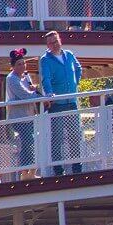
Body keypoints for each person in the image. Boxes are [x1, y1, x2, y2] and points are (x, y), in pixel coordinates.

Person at [39, 30, 83, 175]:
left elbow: (78, 69)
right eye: (51, 43)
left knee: (74, 135)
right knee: (57, 136)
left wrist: (74, 84)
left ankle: (77, 166)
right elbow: (46, 79)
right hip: (57, 103)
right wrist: (50, 93)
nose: (54, 44)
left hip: (71, 101)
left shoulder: (68, 54)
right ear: (48, 45)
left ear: (60, 40)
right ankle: (58, 168)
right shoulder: (45, 59)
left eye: (56, 41)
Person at [5, 48, 41, 177]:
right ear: (13, 66)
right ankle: (25, 172)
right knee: (26, 142)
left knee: (28, 142)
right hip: (18, 117)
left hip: (29, 115)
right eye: (19, 64)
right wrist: (39, 94)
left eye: (23, 63)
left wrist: (34, 89)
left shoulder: (26, 77)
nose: (22, 66)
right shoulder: (11, 79)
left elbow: (30, 92)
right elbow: (25, 95)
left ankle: (30, 172)